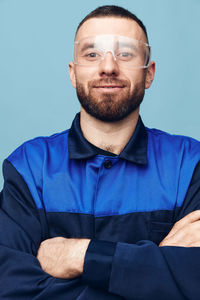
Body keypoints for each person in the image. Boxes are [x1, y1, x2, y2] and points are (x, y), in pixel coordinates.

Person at [1, 5, 200, 299]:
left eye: (126, 53)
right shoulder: (30, 167)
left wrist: (81, 255)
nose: (108, 66)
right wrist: (149, 270)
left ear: (149, 74)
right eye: (92, 54)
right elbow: (10, 286)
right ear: (73, 73)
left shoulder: (190, 163)